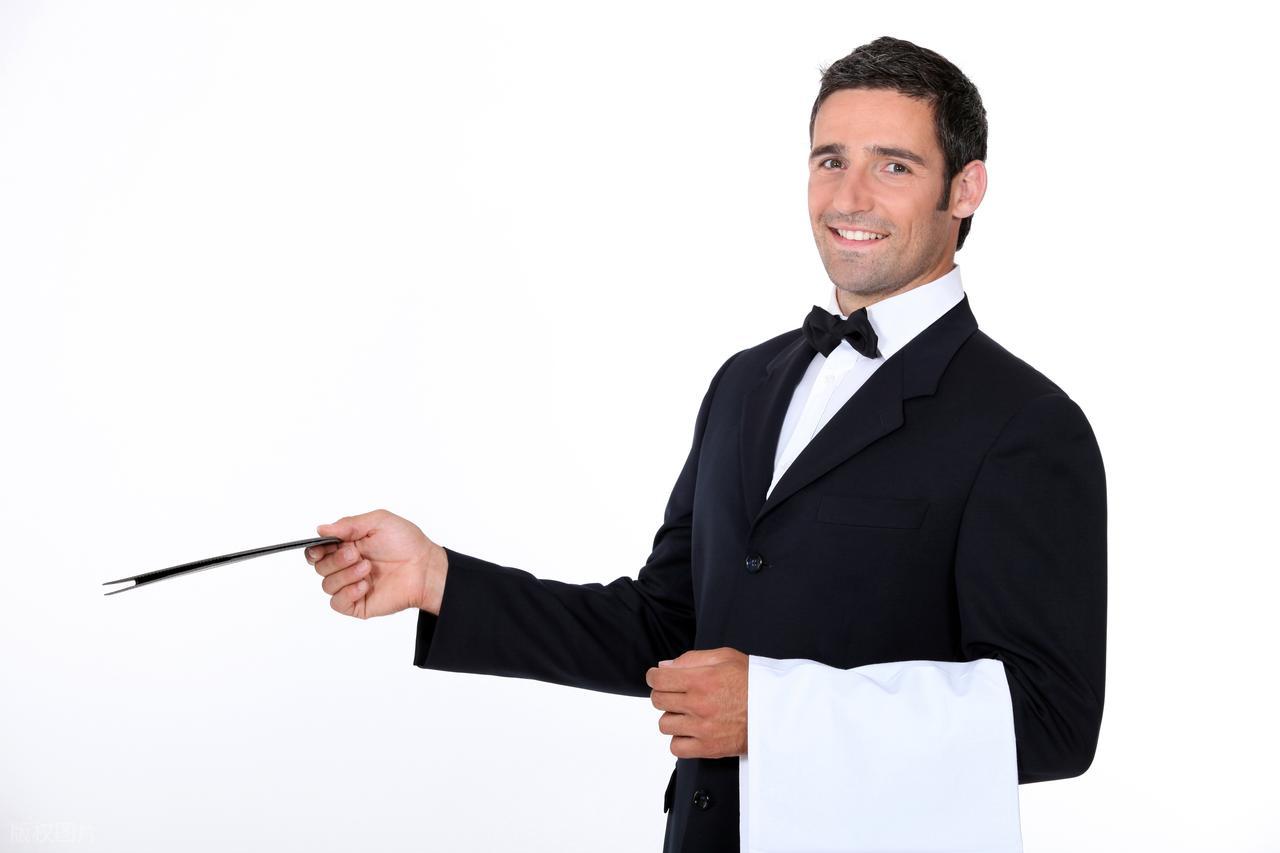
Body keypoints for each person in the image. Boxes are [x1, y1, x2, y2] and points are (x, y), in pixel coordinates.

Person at [304, 35, 1106, 853]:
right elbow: (666, 626)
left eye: (893, 166)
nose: (849, 196)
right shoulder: (747, 381)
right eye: (830, 160)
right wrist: (438, 578)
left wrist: (775, 712)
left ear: (964, 189)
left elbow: (1052, 718)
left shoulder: (1025, 423)